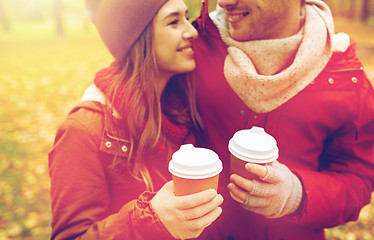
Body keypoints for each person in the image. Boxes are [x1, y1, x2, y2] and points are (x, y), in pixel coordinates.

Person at [191, 0, 374, 239]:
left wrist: (296, 195)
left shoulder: (345, 78)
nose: (224, 2)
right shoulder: (191, 45)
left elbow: (356, 183)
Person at [48, 0, 224, 239]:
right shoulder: (83, 131)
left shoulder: (185, 107)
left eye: (187, 17)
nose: (191, 31)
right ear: (138, 38)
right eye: (174, 22)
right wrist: (152, 221)